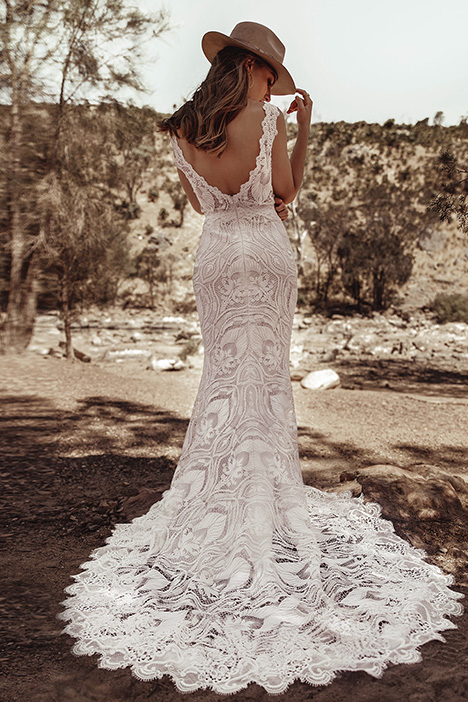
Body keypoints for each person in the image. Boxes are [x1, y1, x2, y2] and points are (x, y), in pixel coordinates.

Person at [59, 21, 463, 696]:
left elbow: (201, 204)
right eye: (272, 72)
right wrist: (303, 131)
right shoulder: (266, 117)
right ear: (255, 68)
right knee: (267, 384)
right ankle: (263, 505)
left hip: (217, 257)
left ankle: (220, 502)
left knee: (224, 379)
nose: (274, 84)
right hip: (265, 255)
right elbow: (285, 193)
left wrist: (248, 186)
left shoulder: (184, 127)